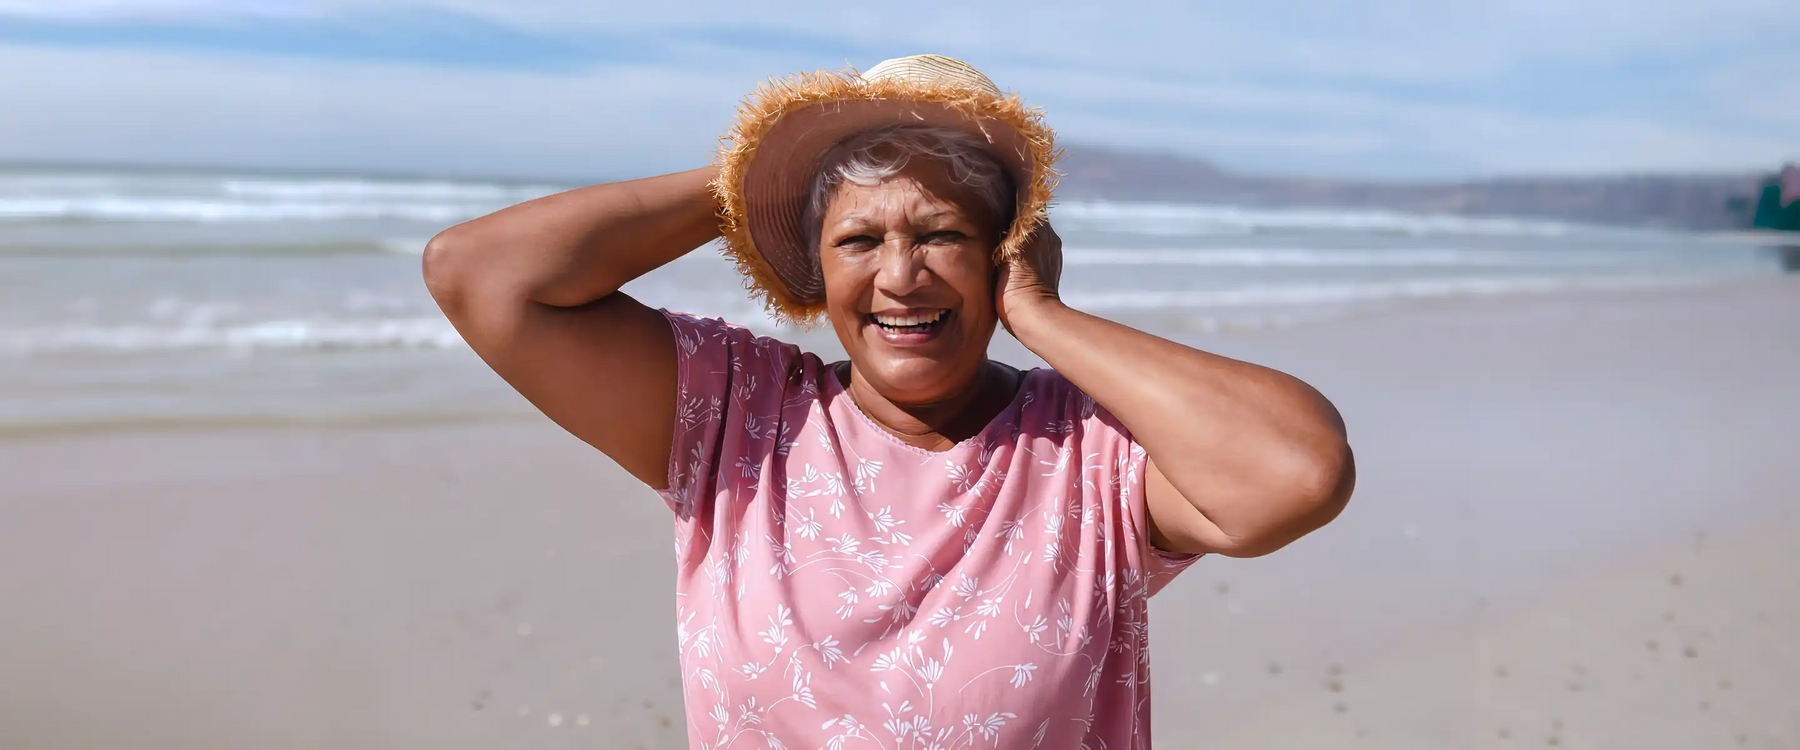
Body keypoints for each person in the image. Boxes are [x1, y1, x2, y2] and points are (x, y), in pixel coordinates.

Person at [424, 54, 1353, 749]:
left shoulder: (1090, 454)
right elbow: (480, 273)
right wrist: (765, 174)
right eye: (857, 239)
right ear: (815, 268)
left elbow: (1297, 473)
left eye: (943, 234)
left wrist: (1045, 316)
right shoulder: (738, 419)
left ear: (1004, 256)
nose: (900, 277)